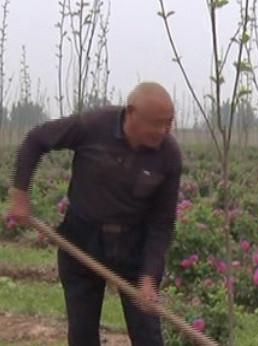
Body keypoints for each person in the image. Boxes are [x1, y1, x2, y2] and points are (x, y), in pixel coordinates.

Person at [7, 81, 182, 346]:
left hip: (134, 246)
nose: (164, 130)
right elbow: (36, 140)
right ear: (131, 113)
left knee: (148, 336)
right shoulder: (92, 125)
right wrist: (20, 195)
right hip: (81, 239)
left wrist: (148, 277)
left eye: (169, 122)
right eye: (157, 123)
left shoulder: (169, 154)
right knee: (82, 334)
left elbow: (162, 223)